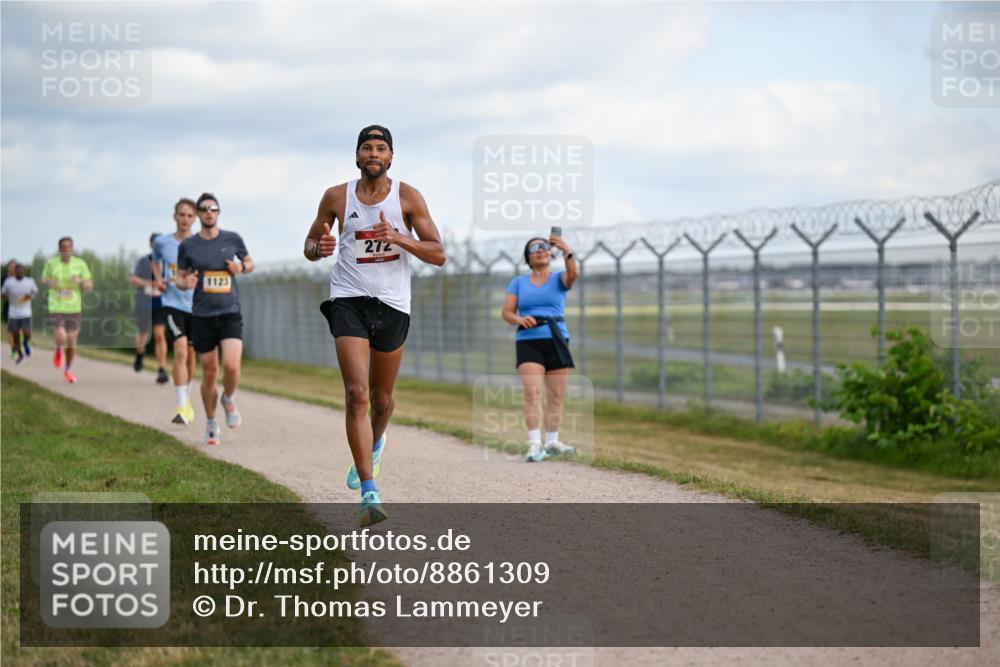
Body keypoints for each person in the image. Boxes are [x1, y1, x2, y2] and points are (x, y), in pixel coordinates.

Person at [303, 125, 446, 527]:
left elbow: (438, 254)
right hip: (348, 300)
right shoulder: (336, 196)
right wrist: (320, 248)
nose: (373, 153)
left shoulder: (408, 196)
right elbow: (311, 244)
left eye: (381, 148)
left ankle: (376, 440)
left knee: (382, 400)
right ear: (356, 155)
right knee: (356, 393)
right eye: (367, 147)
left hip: (393, 305)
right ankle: (369, 492)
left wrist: (400, 238)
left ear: (391, 157)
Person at [176, 193, 253, 445]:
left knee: (231, 366)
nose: (209, 212)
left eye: (213, 208)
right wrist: (185, 283)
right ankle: (211, 422)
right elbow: (180, 277)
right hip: (201, 315)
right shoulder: (188, 246)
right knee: (209, 373)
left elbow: (250, 262)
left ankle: (228, 398)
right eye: (204, 209)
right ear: (198, 214)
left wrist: (241, 268)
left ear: (218, 212)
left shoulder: (232, 239)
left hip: (230, 311)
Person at [501, 233, 579, 462]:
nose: (540, 250)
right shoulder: (518, 282)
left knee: (556, 395)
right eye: (534, 249)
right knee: (532, 392)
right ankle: (535, 444)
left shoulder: (559, 279)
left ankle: (553, 441)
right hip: (528, 340)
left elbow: (573, 274)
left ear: (551, 253)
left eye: (544, 247)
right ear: (528, 258)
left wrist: (566, 249)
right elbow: (506, 312)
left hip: (557, 338)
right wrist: (518, 320)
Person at [154, 198, 199, 425]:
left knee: (191, 355)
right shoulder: (163, 242)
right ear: (174, 216)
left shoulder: (200, 243)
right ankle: (181, 406)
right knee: (180, 351)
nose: (185, 219)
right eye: (182, 214)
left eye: (190, 215)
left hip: (197, 306)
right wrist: (159, 279)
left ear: (195, 218)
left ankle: (187, 397)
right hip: (172, 302)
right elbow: (156, 260)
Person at [41, 237, 93, 383]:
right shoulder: (51, 263)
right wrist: (50, 281)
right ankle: (58, 349)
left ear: (72, 248)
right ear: (59, 249)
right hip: (56, 305)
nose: (65, 250)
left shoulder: (80, 264)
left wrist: (81, 282)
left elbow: (89, 285)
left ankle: (68, 369)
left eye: (68, 247)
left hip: (74, 307)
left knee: (72, 340)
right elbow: (44, 279)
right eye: (63, 247)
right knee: (62, 336)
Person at [130, 233, 169, 382]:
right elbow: (133, 279)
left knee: (159, 334)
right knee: (143, 333)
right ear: (151, 244)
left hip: (161, 303)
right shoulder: (143, 261)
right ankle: (139, 355)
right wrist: (150, 284)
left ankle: (161, 369)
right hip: (144, 302)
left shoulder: (169, 262)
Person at [1, 263, 38, 364]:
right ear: (15, 272)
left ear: (24, 272)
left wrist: (29, 297)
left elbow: (35, 292)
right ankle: (20, 355)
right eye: (18, 271)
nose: (20, 273)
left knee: (27, 333)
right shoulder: (9, 282)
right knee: (15, 335)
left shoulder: (29, 281)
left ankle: (26, 342)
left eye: (21, 271)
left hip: (26, 313)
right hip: (13, 313)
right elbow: (2, 293)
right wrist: (7, 298)